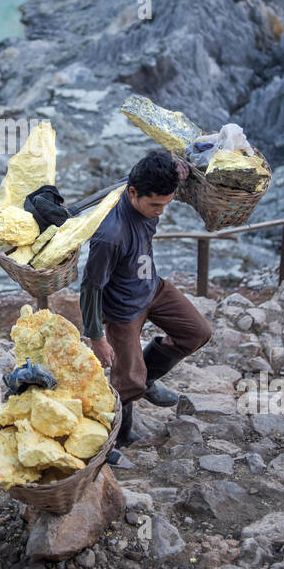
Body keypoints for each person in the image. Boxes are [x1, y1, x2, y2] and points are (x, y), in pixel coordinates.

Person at [80, 149, 212, 468]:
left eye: (165, 204)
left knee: (197, 332)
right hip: (123, 308)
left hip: (151, 287)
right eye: (155, 205)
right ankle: (116, 438)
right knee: (127, 384)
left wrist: (182, 168)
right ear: (133, 193)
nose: (160, 213)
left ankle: (146, 378)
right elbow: (90, 287)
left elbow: (171, 172)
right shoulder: (110, 235)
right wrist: (97, 337)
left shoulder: (147, 186)